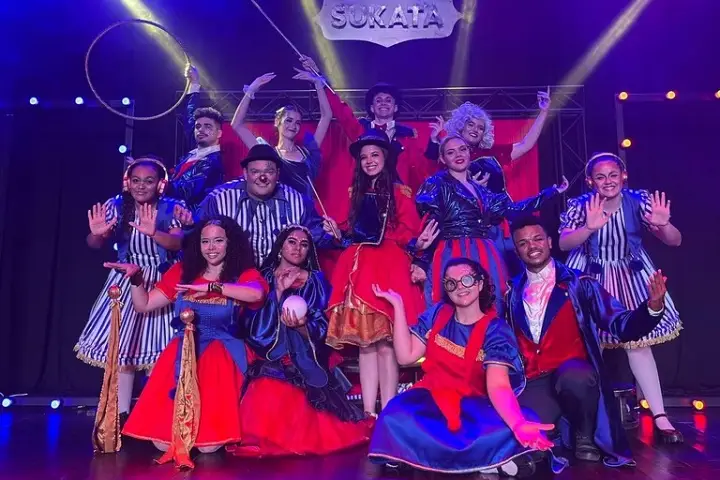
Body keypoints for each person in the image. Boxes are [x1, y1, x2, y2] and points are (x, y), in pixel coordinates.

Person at [368, 258, 554, 477]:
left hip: (474, 403)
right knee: (392, 417)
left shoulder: (496, 330)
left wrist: (517, 424)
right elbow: (405, 357)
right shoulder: (438, 314)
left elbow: (498, 385)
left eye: (466, 280)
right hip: (429, 397)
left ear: (480, 283)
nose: (460, 287)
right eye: (451, 283)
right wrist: (398, 306)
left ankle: (455, 454)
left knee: (510, 425)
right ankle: (486, 458)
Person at [508, 215, 669, 465]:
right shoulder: (510, 291)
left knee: (576, 376)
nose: (532, 246)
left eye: (537, 239)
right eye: (523, 243)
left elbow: (620, 324)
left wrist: (652, 308)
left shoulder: (579, 283)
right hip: (534, 379)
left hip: (573, 375)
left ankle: (585, 433)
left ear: (549, 242)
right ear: (517, 250)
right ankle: (559, 429)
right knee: (527, 443)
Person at [119, 216, 268, 468]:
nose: (211, 247)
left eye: (218, 241)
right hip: (183, 353)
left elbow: (256, 294)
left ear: (230, 243)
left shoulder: (243, 274)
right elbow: (143, 304)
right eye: (205, 241)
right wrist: (136, 281)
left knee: (209, 446)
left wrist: (213, 287)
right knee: (162, 443)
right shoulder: (183, 272)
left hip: (221, 355)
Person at [557, 152, 683, 444]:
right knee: (590, 347)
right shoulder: (581, 205)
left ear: (623, 176)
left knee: (637, 344)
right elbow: (563, 242)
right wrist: (588, 227)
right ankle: (588, 419)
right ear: (590, 181)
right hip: (591, 277)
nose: (608, 181)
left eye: (613, 175)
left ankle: (660, 416)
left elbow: (675, 240)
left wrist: (663, 225)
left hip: (630, 275)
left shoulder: (638, 201)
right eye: (600, 177)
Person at [228, 225, 373, 457]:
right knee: (267, 387)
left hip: (305, 355)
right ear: (280, 247)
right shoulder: (263, 278)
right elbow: (253, 328)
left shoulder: (316, 282)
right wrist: (277, 293)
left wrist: (302, 326)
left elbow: (326, 326)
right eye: (292, 242)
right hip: (272, 355)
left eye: (304, 244)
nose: (297, 248)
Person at [323, 130, 431, 416]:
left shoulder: (400, 193)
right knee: (366, 345)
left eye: (375, 155)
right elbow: (348, 230)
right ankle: (369, 412)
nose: (369, 161)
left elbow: (409, 231)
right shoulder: (353, 194)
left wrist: (413, 244)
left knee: (386, 344)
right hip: (359, 268)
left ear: (385, 158)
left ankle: (390, 410)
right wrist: (338, 232)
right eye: (364, 157)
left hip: (389, 267)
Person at [76, 157, 184, 424]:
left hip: (160, 280)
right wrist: (98, 234)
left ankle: (155, 416)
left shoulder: (172, 207)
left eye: (148, 181)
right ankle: (121, 416)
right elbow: (94, 244)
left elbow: (177, 243)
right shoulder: (116, 205)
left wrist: (154, 233)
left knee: (160, 348)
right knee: (124, 347)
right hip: (126, 279)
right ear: (128, 183)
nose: (141, 186)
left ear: (160, 184)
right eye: (136, 180)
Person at [415, 135, 564, 314]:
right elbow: (431, 224)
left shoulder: (480, 190)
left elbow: (512, 209)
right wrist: (421, 259)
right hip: (453, 249)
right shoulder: (437, 184)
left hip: (483, 249)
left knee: (489, 301)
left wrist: (550, 193)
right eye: (451, 152)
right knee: (456, 302)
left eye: (462, 149)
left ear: (469, 153)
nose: (458, 155)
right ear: (443, 158)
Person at [175, 144, 336, 268]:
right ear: (245, 174)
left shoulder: (298, 201)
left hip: (281, 283)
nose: (262, 177)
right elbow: (197, 237)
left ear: (277, 174)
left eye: (269, 172)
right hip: (235, 281)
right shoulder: (219, 199)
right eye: (255, 172)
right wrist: (189, 227)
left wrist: (333, 235)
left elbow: (318, 237)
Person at [230, 56, 332, 199]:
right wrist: (250, 91)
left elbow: (326, 116)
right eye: (288, 120)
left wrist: (318, 83)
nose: (293, 126)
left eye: (297, 122)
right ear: (277, 121)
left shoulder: (308, 152)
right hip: (278, 210)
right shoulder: (268, 153)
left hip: (305, 211)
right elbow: (237, 124)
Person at [165, 66, 225, 211]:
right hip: (176, 214)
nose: (201, 130)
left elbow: (185, 191)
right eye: (198, 127)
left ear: (219, 134)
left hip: (194, 219)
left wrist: (152, 178)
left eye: (208, 126)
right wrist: (194, 83)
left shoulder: (212, 162)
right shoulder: (195, 153)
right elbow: (190, 118)